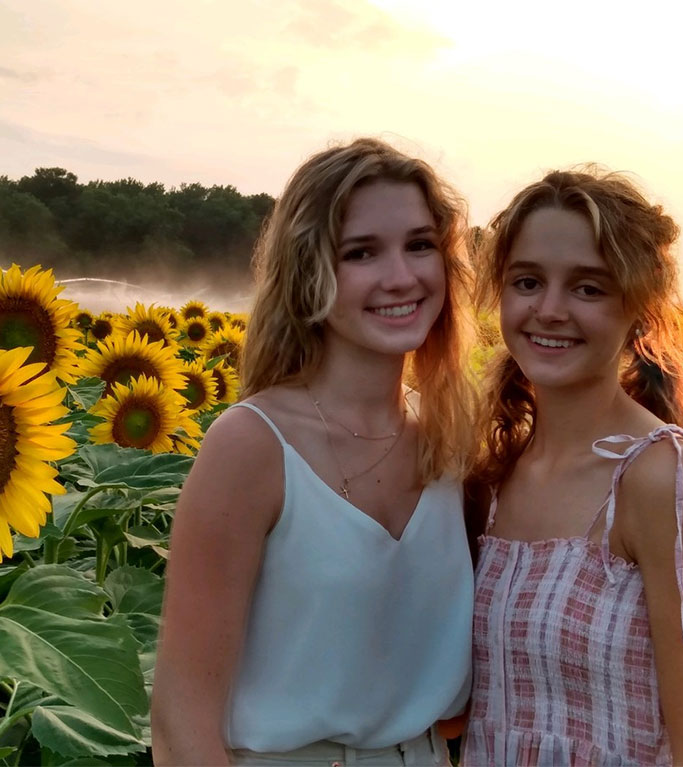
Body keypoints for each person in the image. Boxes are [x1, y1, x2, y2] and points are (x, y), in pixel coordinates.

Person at [151, 138, 477, 766]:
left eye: (420, 244)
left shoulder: (449, 441)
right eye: (361, 252)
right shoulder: (252, 445)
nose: (401, 276)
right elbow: (181, 729)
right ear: (309, 272)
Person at [462, 167, 683, 766]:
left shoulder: (661, 478)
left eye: (588, 288)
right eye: (528, 281)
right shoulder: (490, 473)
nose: (551, 310)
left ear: (637, 308)